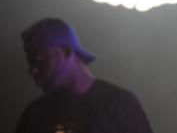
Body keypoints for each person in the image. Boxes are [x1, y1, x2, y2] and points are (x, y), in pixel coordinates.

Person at [16, 17, 155, 133]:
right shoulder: (34, 114)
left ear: (65, 51)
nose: (32, 70)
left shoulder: (119, 105)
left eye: (38, 60)